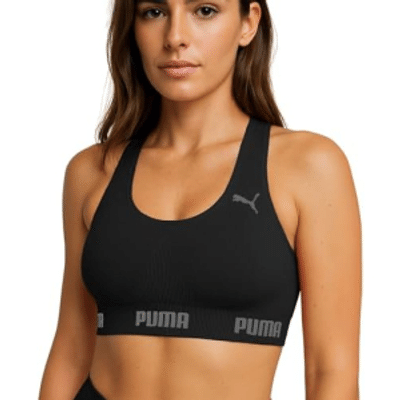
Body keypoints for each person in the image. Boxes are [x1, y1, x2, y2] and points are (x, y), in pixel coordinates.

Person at [39, 0, 362, 399]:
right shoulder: (92, 171)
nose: (175, 37)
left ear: (248, 23)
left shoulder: (308, 166)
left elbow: (331, 369)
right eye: (154, 12)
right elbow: (72, 350)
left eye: (205, 11)